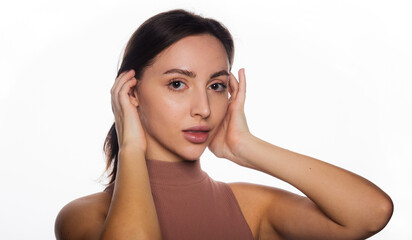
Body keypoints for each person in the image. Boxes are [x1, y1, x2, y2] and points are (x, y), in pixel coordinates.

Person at [54, 9, 393, 240]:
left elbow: (371, 213)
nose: (203, 108)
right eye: (177, 83)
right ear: (132, 92)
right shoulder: (85, 216)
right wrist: (131, 147)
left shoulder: (248, 206)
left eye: (216, 86)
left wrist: (246, 147)